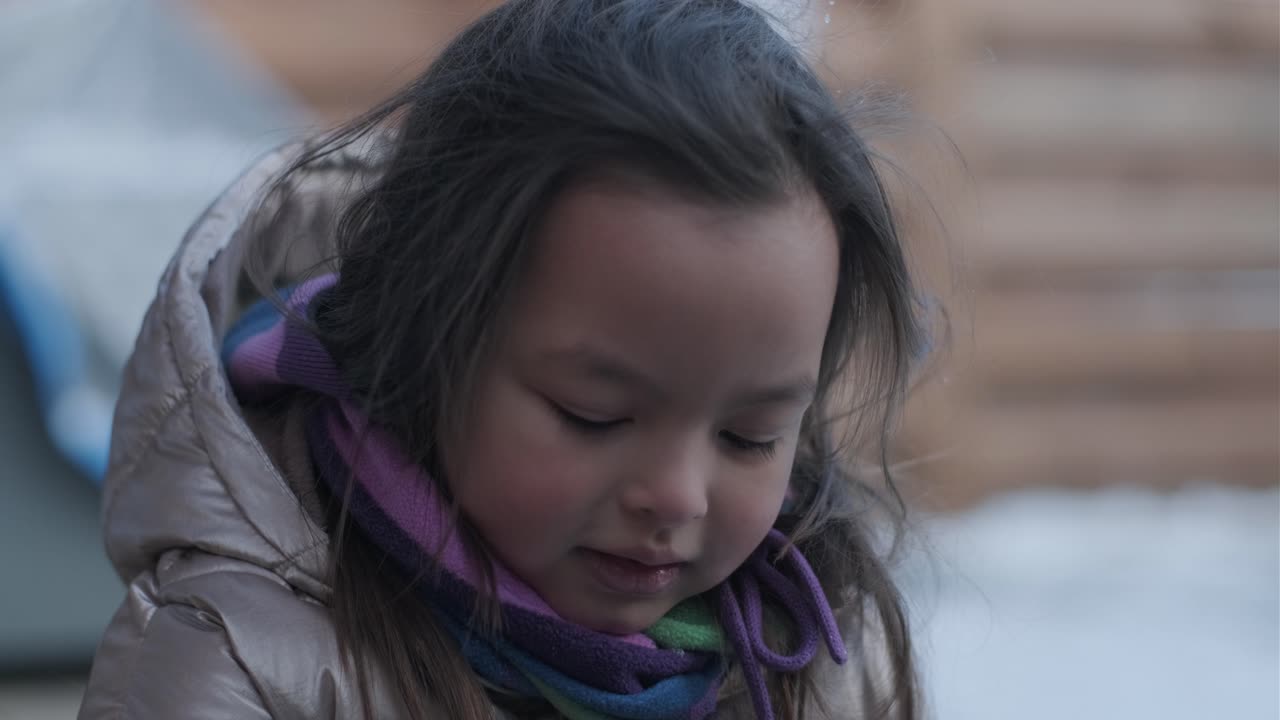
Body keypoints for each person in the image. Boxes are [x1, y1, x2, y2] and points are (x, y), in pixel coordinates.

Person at [79, 0, 929, 717]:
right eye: (592, 415)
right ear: (425, 341)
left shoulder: (819, 650)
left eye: (751, 434)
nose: (675, 494)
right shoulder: (233, 663)